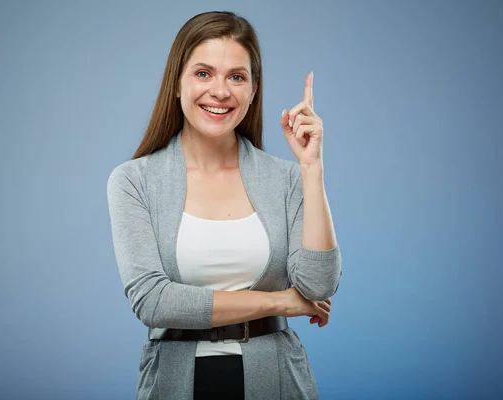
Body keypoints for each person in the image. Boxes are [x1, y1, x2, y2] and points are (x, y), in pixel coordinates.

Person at [107, 11, 342, 400]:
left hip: (277, 380)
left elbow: (318, 284)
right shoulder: (134, 181)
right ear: (177, 85)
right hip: (174, 380)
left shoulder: (286, 179)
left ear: (252, 89)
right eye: (203, 73)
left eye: (236, 77)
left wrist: (311, 167)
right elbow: (154, 301)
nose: (220, 91)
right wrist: (281, 301)